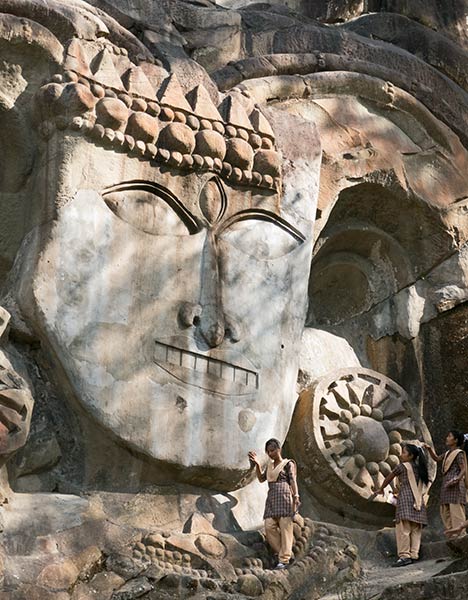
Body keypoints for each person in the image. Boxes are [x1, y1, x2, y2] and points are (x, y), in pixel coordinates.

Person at [248, 439, 300, 569]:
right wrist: (257, 465)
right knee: (269, 526)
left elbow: (293, 480)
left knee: (285, 528)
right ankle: (284, 553)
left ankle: (284, 560)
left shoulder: (288, 464)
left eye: (272, 450)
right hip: (272, 497)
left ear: (279, 449)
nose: (270, 453)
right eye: (268, 451)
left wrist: (296, 496)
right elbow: (261, 479)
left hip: (285, 497)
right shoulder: (270, 466)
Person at [377, 443, 429, 567]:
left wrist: (381, 488)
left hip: (405, 499)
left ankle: (404, 556)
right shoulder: (421, 468)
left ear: (410, 456)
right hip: (418, 501)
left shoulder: (402, 467)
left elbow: (389, 477)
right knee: (416, 529)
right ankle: (414, 554)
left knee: (404, 529)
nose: (401, 455)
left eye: (404, 452)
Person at [424, 430, 468, 537]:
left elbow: (464, 468)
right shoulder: (448, 453)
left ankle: (461, 535)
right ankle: (451, 534)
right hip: (447, 485)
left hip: (456, 486)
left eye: (449, 436)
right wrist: (429, 449)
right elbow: (437, 458)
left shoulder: (459, 453)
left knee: (456, 510)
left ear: (456, 440)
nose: (447, 438)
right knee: (445, 510)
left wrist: (457, 479)